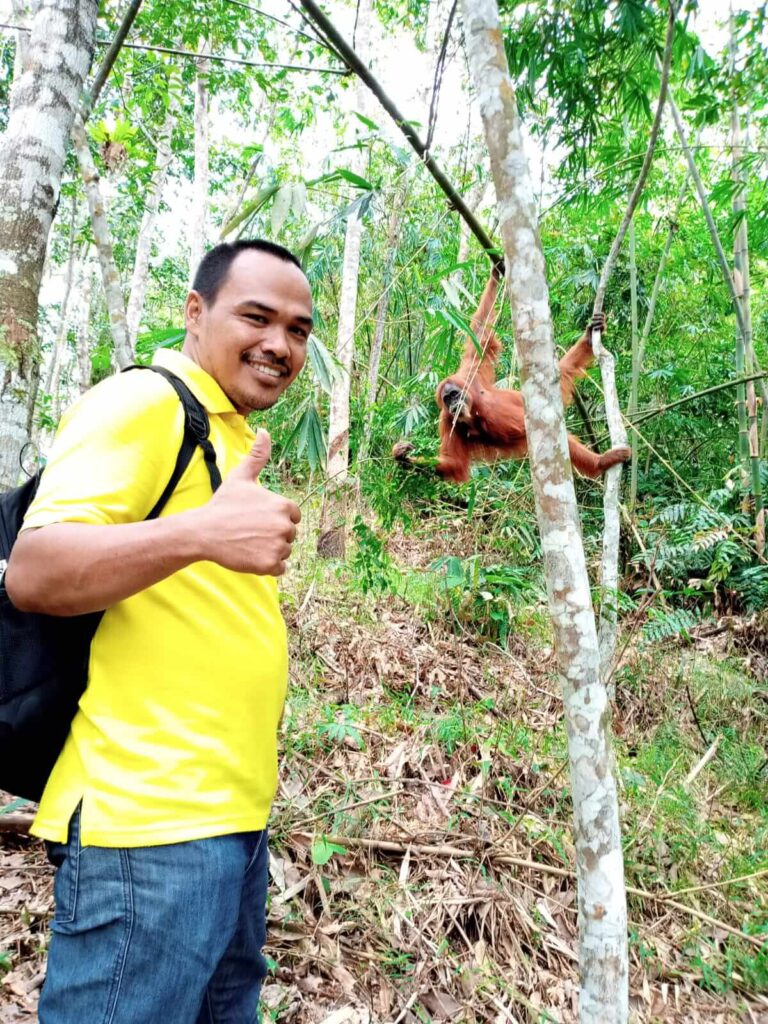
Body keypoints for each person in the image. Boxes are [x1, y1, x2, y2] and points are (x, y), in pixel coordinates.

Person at [5, 239, 314, 1023]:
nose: (280, 344)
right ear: (195, 311)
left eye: (300, 330)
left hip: (229, 820)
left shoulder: (230, 431)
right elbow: (37, 570)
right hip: (149, 824)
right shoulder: (146, 403)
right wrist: (201, 535)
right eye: (258, 317)